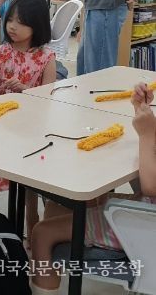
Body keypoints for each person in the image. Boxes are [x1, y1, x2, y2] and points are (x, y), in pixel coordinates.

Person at [29, 82, 156, 295]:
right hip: (144, 213)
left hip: (143, 227)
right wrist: (143, 112)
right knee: (54, 208)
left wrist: (146, 134)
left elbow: (151, 186)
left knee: (42, 233)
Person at [0, 0, 56, 241]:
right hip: (1, 127)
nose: (12, 26)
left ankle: (32, 222)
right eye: (11, 19)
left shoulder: (46, 58)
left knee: (29, 181)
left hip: (32, 130)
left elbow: (48, 102)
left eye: (21, 22)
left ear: (37, 25)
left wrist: (26, 90)